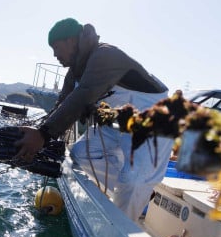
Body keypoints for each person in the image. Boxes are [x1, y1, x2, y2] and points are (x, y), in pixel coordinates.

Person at [14, 18, 173, 221]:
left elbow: (84, 95)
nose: (54, 55)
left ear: (71, 40)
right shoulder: (74, 72)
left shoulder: (105, 55)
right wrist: (39, 130)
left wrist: (44, 135)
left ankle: (124, 221)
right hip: (116, 121)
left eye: (56, 47)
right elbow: (63, 103)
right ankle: (139, 192)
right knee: (80, 155)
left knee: (134, 179)